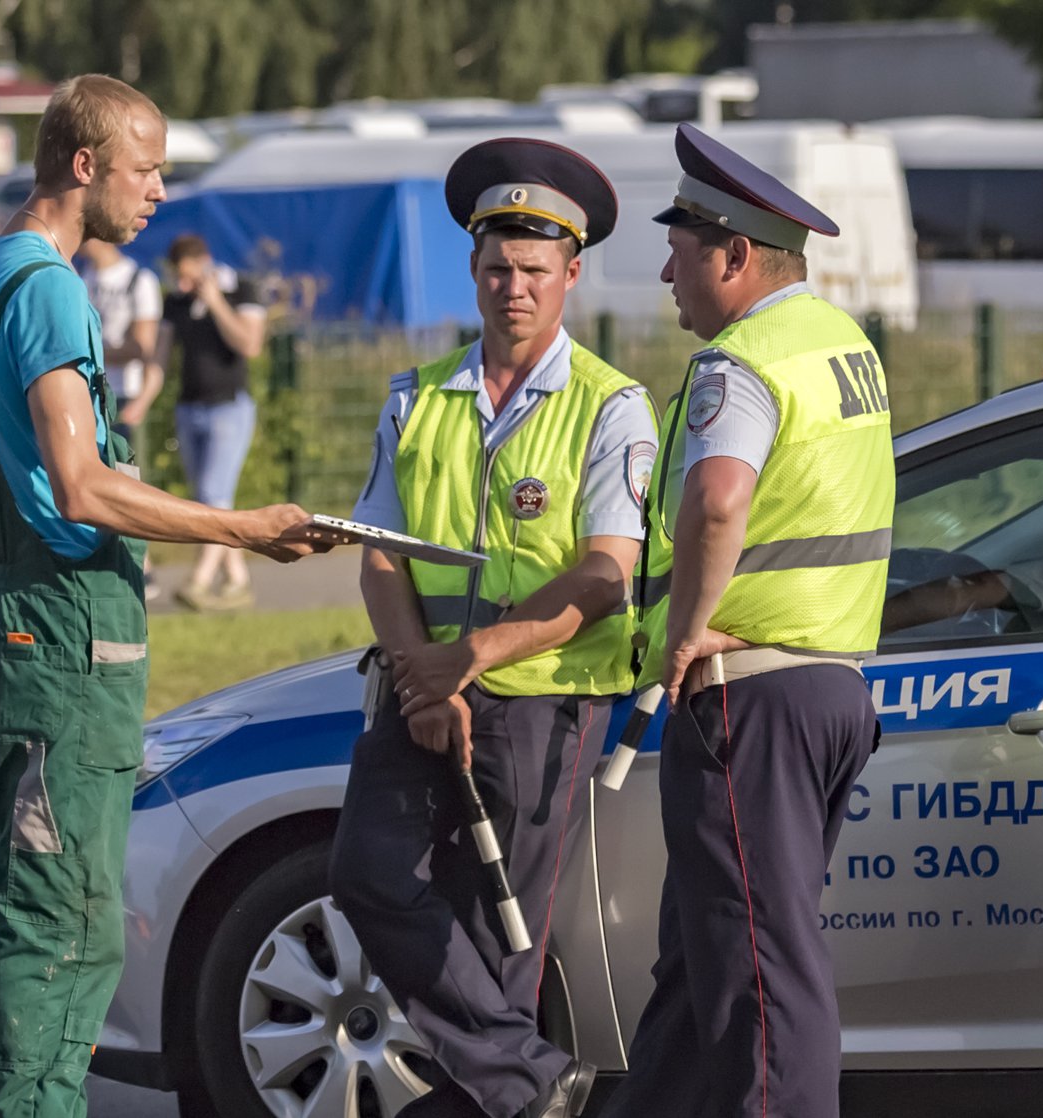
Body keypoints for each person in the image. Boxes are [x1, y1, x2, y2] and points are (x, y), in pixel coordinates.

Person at [0, 73, 342, 1118]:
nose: (160, 191)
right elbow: (80, 485)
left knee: (60, 905)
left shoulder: (0, 266)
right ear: (85, 167)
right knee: (62, 914)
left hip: (49, 622)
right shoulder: (45, 288)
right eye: (147, 167)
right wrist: (241, 529)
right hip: (62, 627)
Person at [328, 138, 654, 1118]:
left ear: (570, 276)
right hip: (417, 688)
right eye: (497, 268)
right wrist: (421, 678)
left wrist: (465, 664)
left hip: (534, 703)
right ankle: (530, 1081)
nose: (514, 288)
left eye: (534, 271)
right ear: (473, 271)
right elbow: (379, 552)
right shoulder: (416, 396)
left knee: (494, 932)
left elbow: (603, 573)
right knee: (364, 873)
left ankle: (503, 1090)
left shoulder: (610, 405)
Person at [602, 124, 897, 1118]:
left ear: (731, 255)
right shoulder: (842, 343)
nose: (663, 273)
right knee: (702, 958)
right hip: (823, 684)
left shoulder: (741, 360)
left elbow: (717, 500)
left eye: (678, 252)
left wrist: (683, 630)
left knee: (758, 970)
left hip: (747, 695)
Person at [158, 234, 269, 610]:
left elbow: (249, 345)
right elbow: (160, 352)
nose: (185, 285)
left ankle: (199, 581)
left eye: (191, 276)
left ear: (205, 263)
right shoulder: (176, 301)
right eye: (180, 278)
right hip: (190, 408)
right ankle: (238, 580)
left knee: (213, 492)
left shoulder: (242, 290)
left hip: (230, 407)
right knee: (209, 498)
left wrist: (215, 303)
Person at [78, 235, 164, 598]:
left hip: (122, 393)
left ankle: (142, 563)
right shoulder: (83, 278)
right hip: (87, 392)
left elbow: (141, 347)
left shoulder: (138, 279)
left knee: (127, 479)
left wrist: (92, 351)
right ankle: (110, 557)